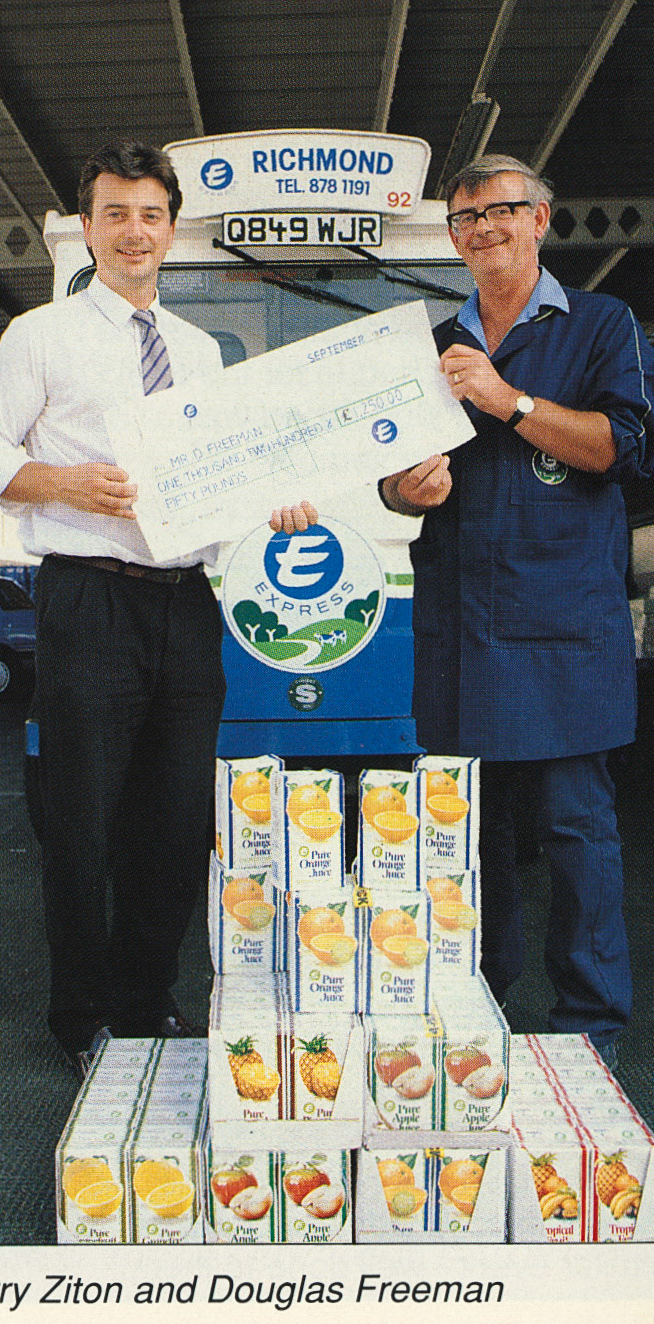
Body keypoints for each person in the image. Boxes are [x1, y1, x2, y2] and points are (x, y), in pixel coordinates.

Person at [0, 141, 316, 1078]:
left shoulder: (198, 351)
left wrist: (274, 504)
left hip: (186, 602)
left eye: (149, 215)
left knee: (173, 815)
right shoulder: (39, 335)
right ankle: (79, 1017)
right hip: (87, 596)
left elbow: (219, 478)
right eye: (114, 214)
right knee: (80, 817)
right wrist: (64, 482)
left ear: (172, 229)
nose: (133, 232)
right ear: (87, 227)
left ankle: (147, 999)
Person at [381, 154, 654, 1062]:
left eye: (500, 210)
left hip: (565, 625)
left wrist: (509, 400)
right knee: (468, 836)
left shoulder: (602, 325)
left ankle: (588, 1024)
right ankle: (476, 1008)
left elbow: (621, 447)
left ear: (539, 219)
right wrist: (404, 491)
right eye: (465, 219)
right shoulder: (428, 343)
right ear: (452, 239)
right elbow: (387, 474)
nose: (483, 229)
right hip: (459, 627)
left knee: (576, 830)